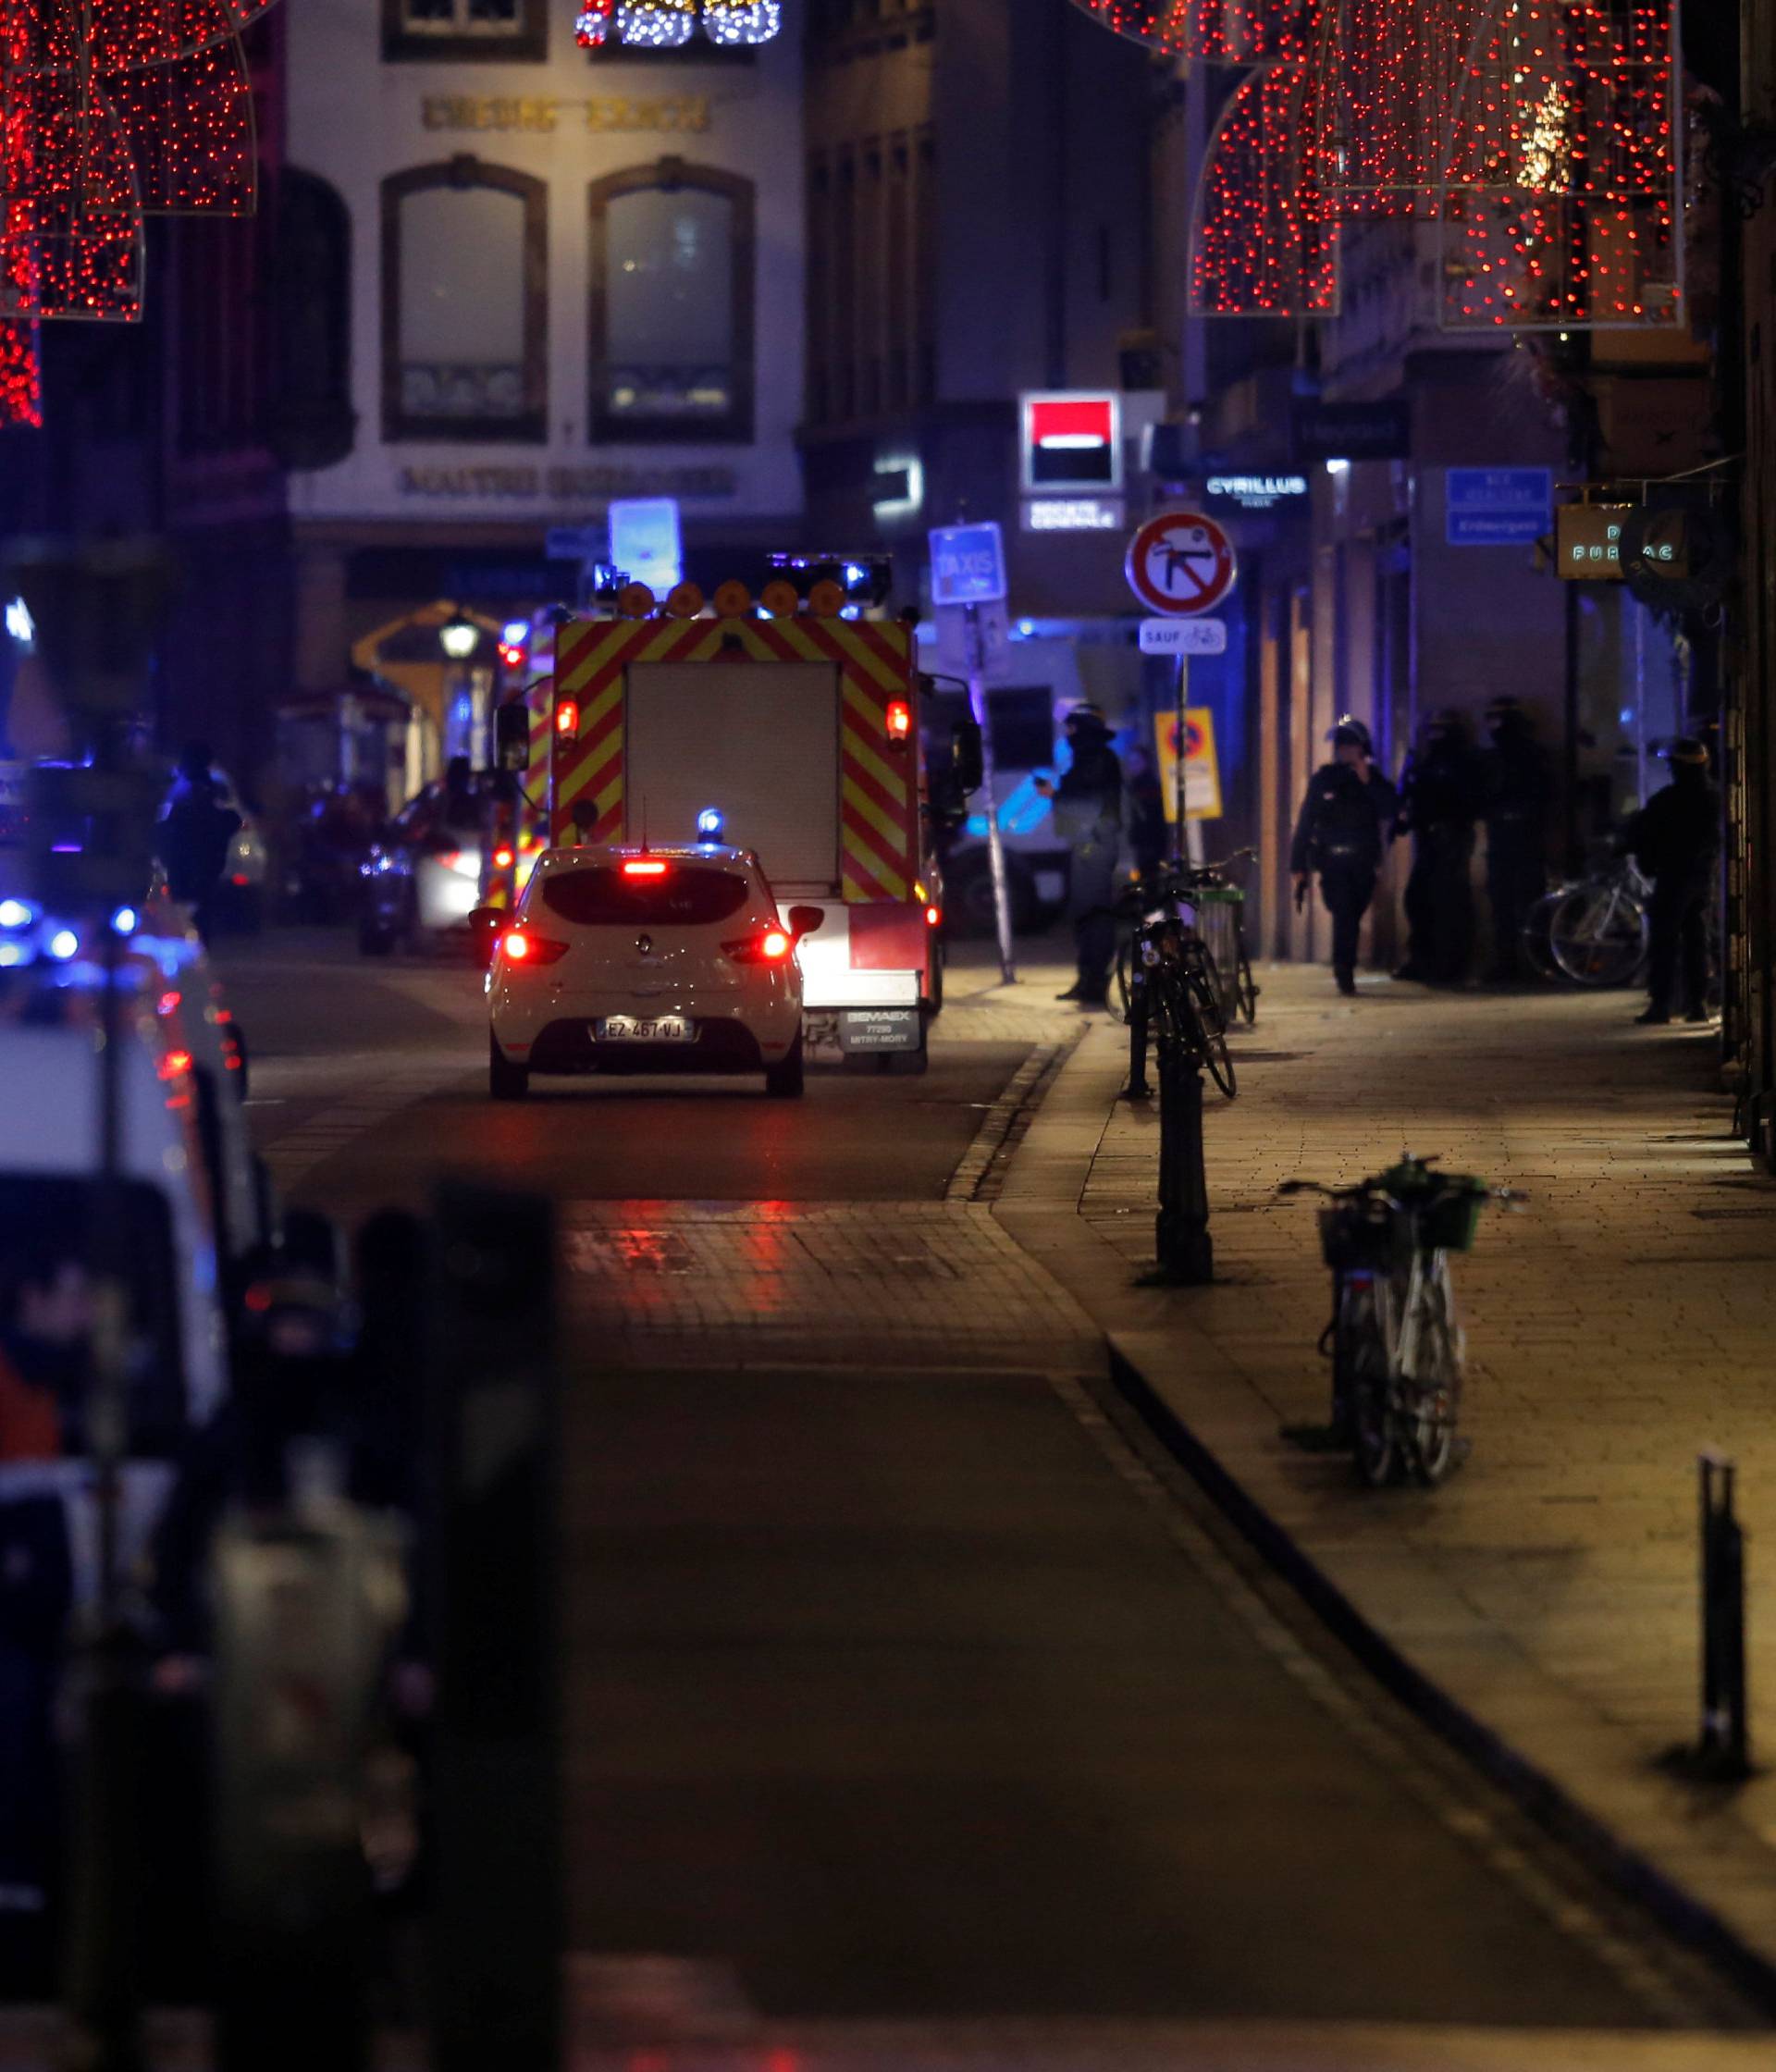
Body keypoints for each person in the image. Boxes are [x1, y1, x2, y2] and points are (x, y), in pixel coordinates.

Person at [1290, 715, 1399, 997]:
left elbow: (1390, 810)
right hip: (1333, 863)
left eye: (1349, 744)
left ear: (1362, 747)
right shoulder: (1325, 779)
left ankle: (1345, 966)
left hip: (1362, 862)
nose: (1343, 749)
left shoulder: (1373, 780)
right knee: (1344, 913)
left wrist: (1366, 780)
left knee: (1353, 911)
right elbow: (1305, 823)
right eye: (1340, 744)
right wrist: (1298, 866)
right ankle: (1344, 969)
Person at [1624, 736, 1720, 1026]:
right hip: (1703, 880)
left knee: (1664, 942)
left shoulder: (1668, 800)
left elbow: (1643, 833)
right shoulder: (1715, 797)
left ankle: (1661, 1006)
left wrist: (1642, 855)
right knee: (1696, 941)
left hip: (1673, 878)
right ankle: (1698, 1005)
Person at [1034, 703, 1123, 1006]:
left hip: (1094, 845)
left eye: (1072, 726)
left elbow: (1087, 802)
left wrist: (1054, 795)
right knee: (1085, 914)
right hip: (1087, 844)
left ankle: (1094, 984)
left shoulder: (1097, 760)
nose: (1068, 733)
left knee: (1094, 914)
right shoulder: (1091, 758)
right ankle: (1087, 981)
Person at [1393, 709, 1482, 984]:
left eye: (1441, 730)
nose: (1435, 735)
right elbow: (1413, 795)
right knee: (1418, 900)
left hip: (1450, 837)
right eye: (1432, 730)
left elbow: (1460, 800)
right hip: (1428, 837)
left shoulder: (1461, 762)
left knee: (1449, 903)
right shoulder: (1425, 761)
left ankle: (1450, 965)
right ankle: (1422, 960)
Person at [1479, 696, 1550, 981]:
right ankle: (1509, 963)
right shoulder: (1493, 759)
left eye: (1499, 720)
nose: (1495, 727)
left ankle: (1532, 963)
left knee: (1528, 904)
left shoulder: (1531, 755)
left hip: (1525, 840)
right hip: (1503, 839)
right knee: (1503, 906)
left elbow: (1545, 795)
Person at [157, 742, 241, 944]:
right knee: (195, 901)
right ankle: (194, 939)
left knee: (191, 901)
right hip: (196, 856)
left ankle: (193, 939)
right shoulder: (188, 788)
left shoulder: (193, 789)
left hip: (194, 856)